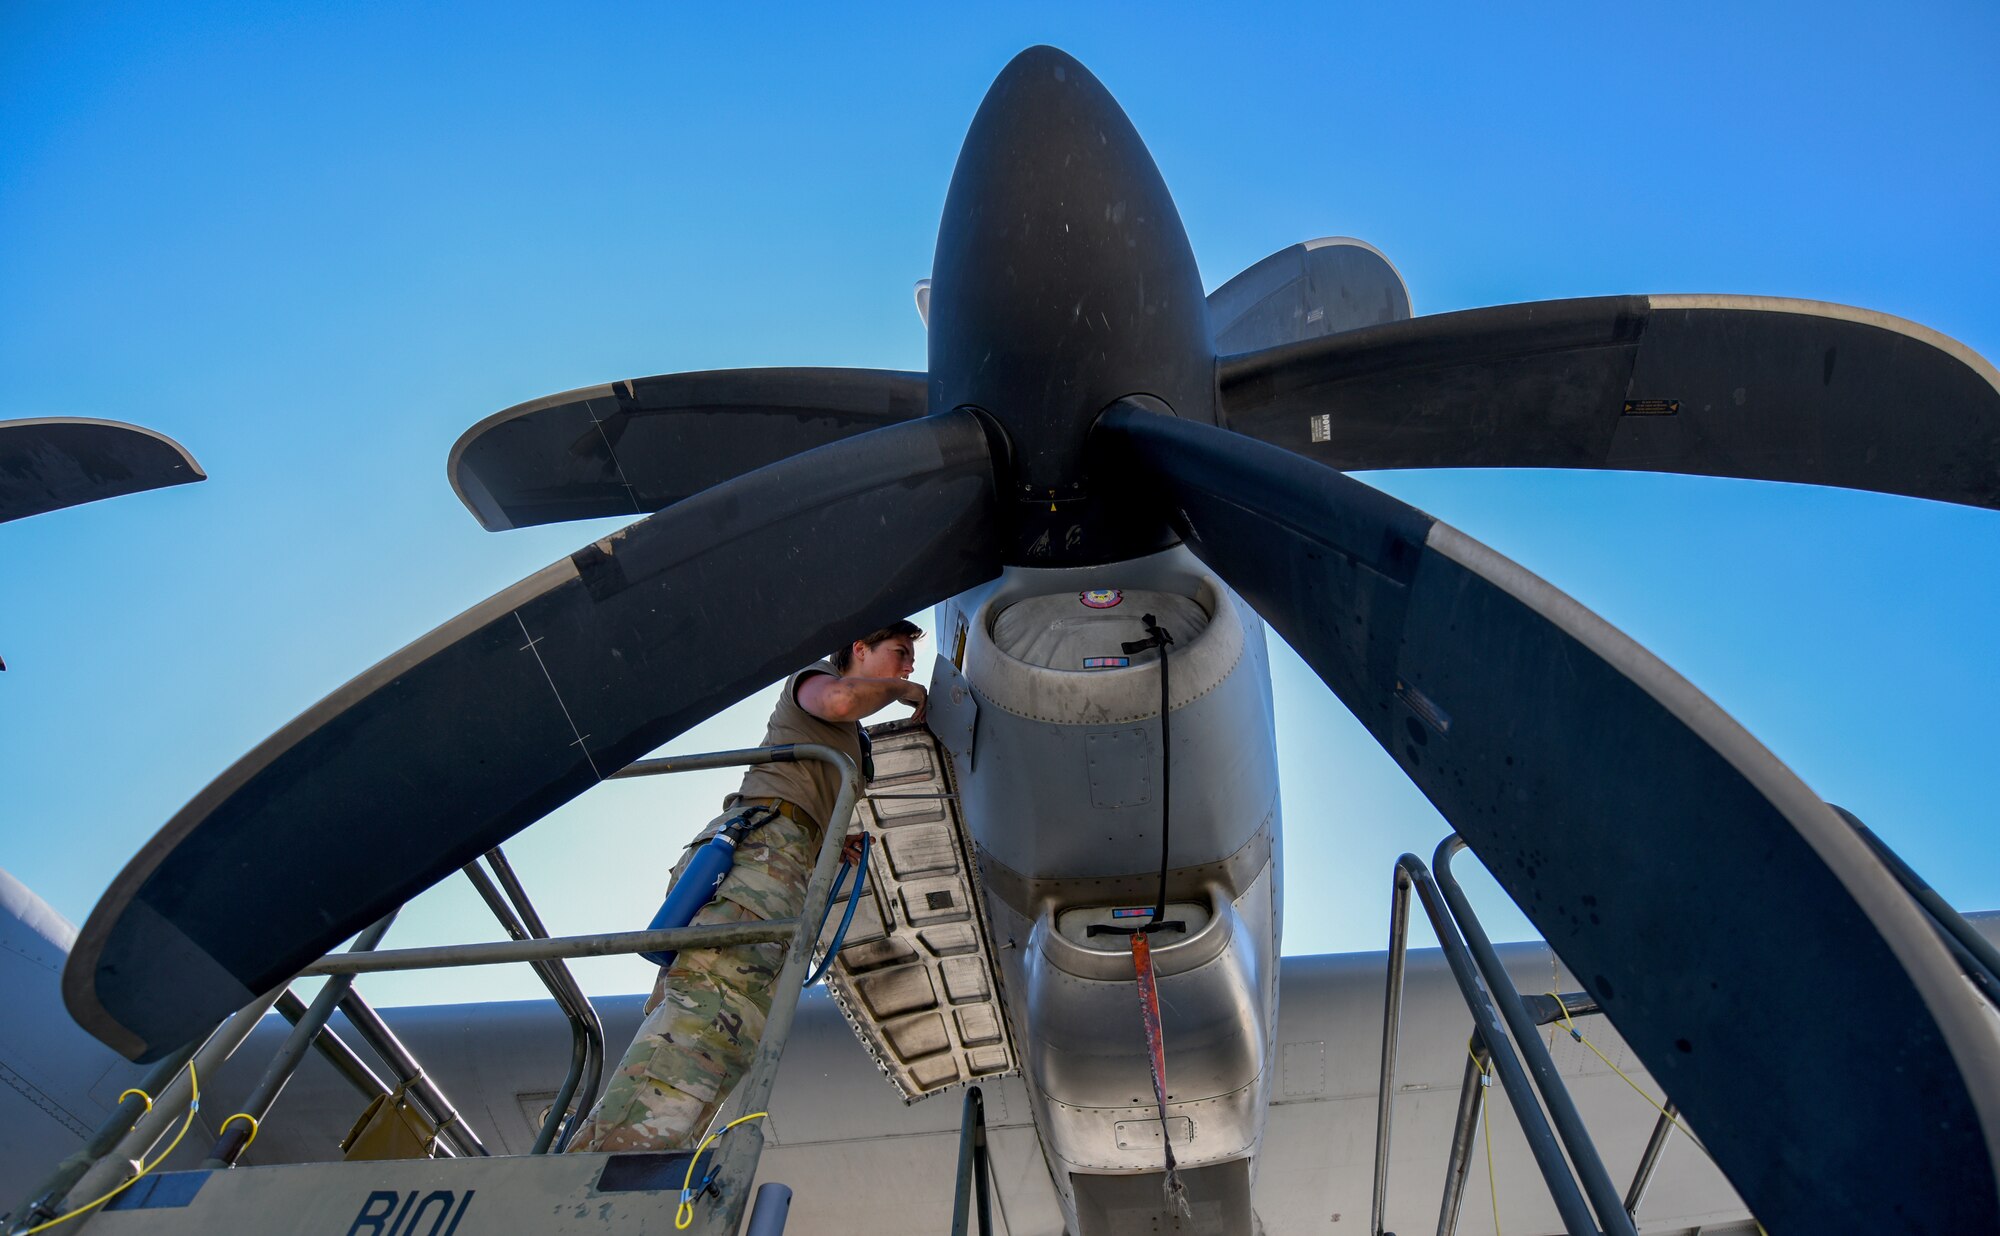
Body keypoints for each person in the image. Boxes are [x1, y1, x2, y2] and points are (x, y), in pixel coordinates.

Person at [567, 621, 928, 1152]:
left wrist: (831, 835)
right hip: (756, 863)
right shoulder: (818, 679)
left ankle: (630, 1170)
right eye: (899, 654)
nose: (908, 666)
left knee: (721, 1034)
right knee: (707, 1021)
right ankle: (605, 1177)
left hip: (780, 862)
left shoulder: (850, 739)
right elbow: (839, 700)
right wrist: (905, 693)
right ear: (859, 648)